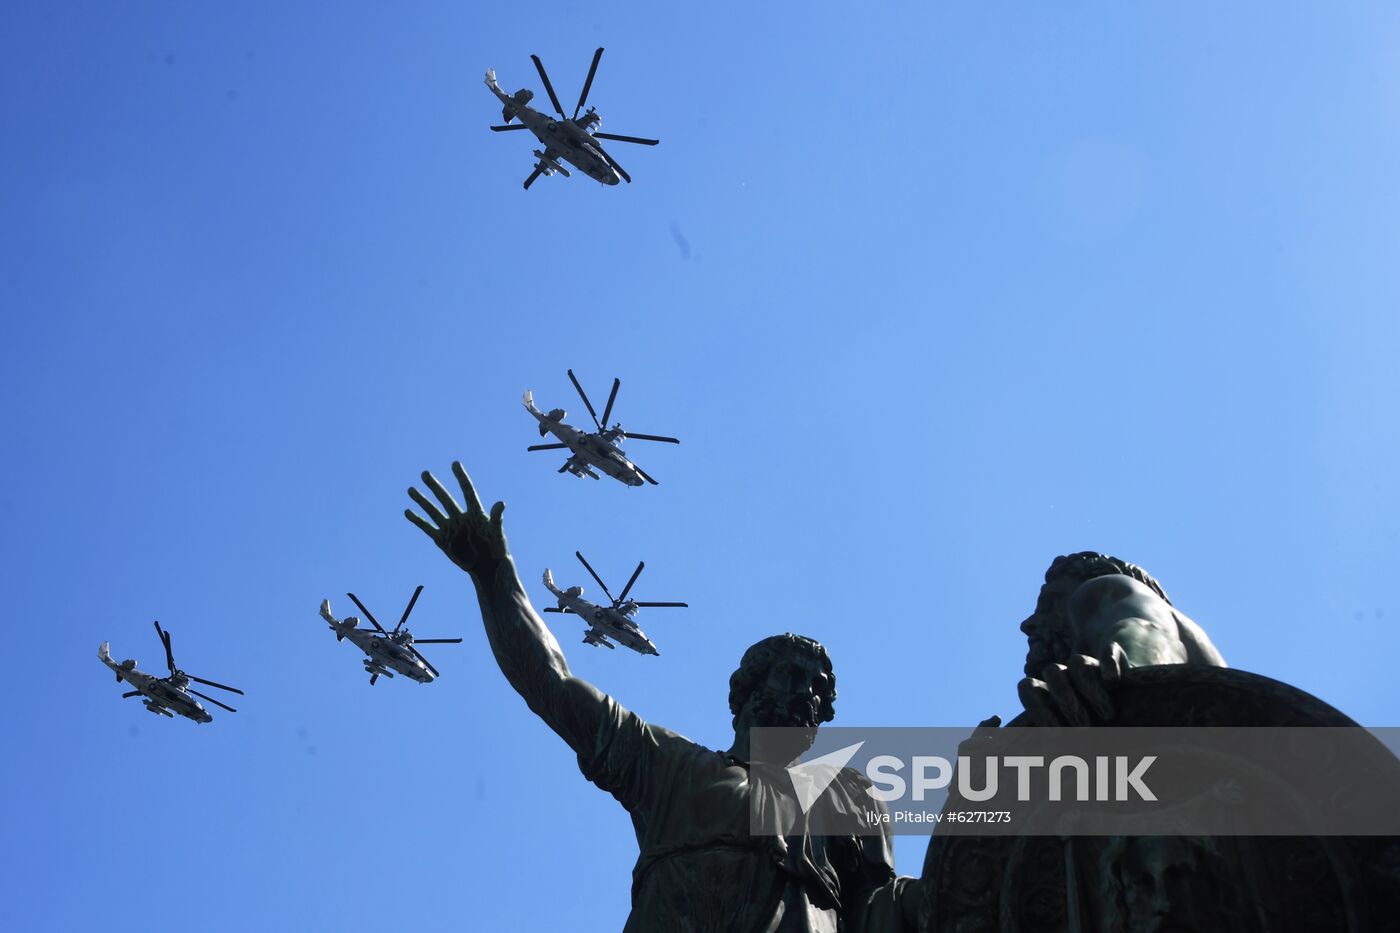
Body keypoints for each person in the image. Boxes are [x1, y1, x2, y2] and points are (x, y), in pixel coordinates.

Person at [404, 463, 919, 932]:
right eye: (791, 675)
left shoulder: (848, 795)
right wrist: (496, 579)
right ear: (747, 692)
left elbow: (881, 908)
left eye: (819, 691)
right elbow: (553, 686)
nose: (806, 693)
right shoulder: (669, 766)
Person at [1015, 551, 1227, 728]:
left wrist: (1133, 668)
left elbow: (1148, 630)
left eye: (1050, 602)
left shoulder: (1102, 589)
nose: (1028, 624)